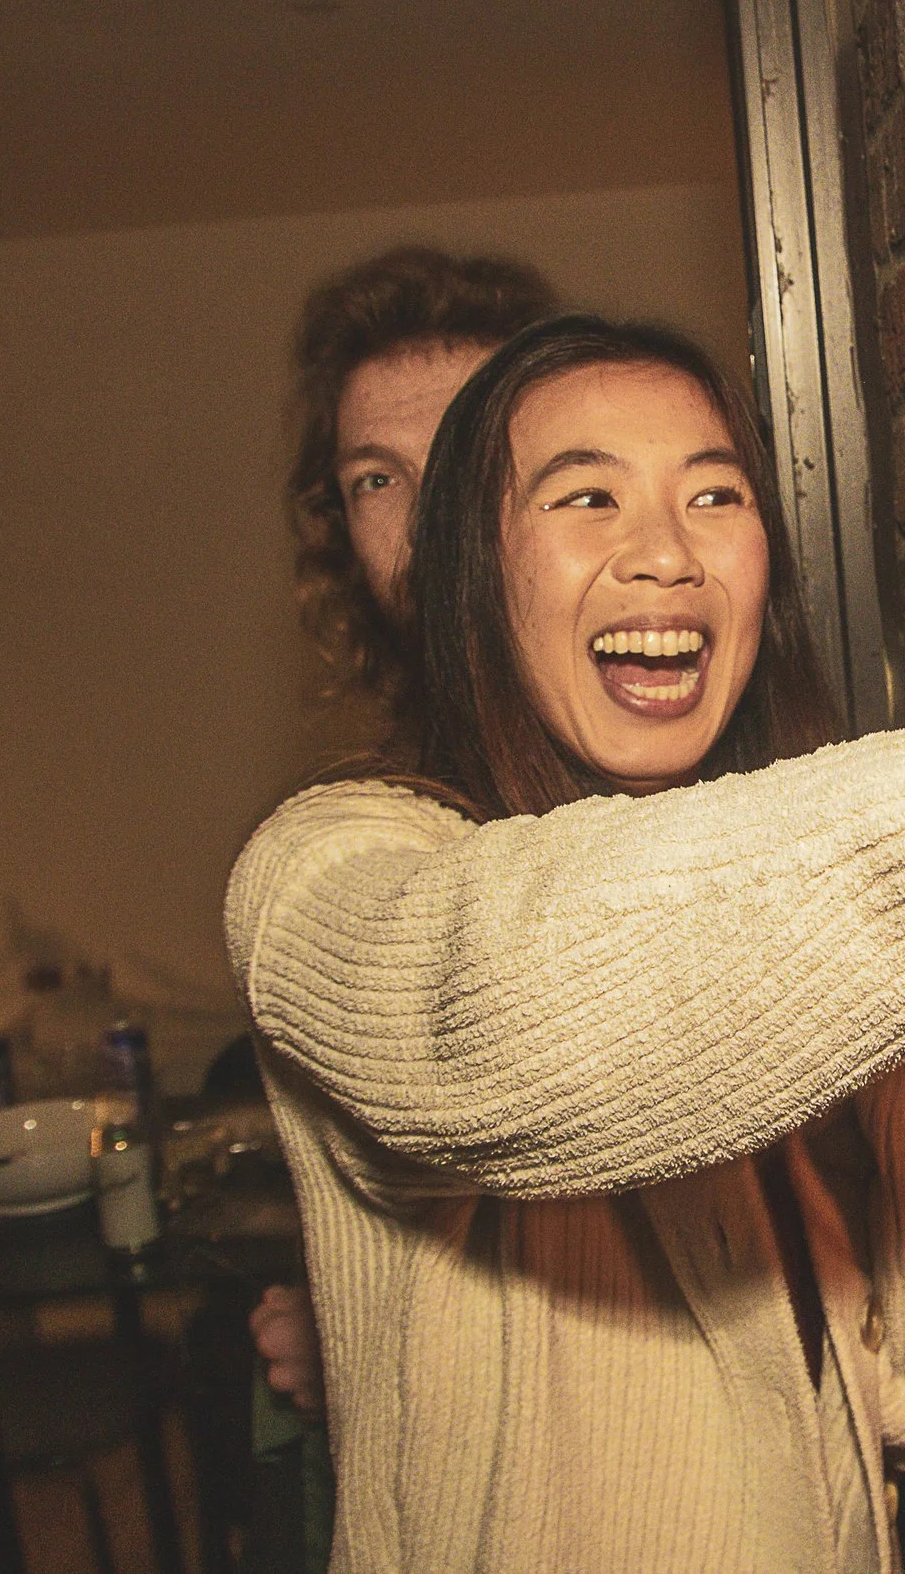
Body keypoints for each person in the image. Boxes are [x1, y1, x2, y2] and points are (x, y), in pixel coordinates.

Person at [224, 316, 905, 1571]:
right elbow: (483, 1015)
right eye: (585, 494)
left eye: (716, 493)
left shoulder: (769, 955)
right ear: (472, 573)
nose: (666, 552)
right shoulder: (322, 869)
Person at [251, 245, 559, 1412]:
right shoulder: (357, 834)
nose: (425, 519)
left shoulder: (709, 759)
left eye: (470, 459)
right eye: (376, 477)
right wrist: (354, 1312)